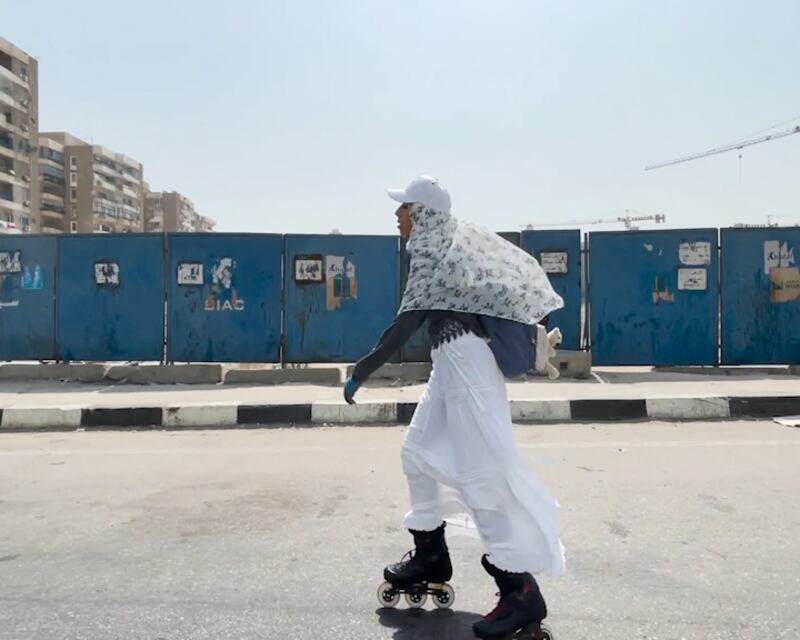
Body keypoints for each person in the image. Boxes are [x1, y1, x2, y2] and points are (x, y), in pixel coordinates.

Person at [344, 176, 566, 639]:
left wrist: (363, 369)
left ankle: (520, 592)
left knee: (481, 474)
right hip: (450, 361)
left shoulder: (433, 247)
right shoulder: (440, 244)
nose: (397, 214)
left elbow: (409, 320)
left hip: (468, 365)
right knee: (417, 452)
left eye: (403, 206)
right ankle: (429, 555)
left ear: (421, 211)